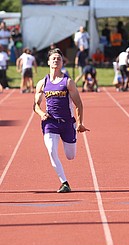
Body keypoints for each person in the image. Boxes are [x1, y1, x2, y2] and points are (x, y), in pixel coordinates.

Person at [33, 48, 90, 193]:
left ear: (62, 62)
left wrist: (80, 123)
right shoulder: (42, 83)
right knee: (51, 150)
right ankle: (64, 182)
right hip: (50, 122)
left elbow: (79, 104)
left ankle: (72, 138)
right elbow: (35, 105)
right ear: (48, 62)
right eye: (53, 58)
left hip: (67, 123)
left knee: (70, 156)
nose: (56, 60)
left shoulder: (68, 82)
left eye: (59, 58)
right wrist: (41, 113)